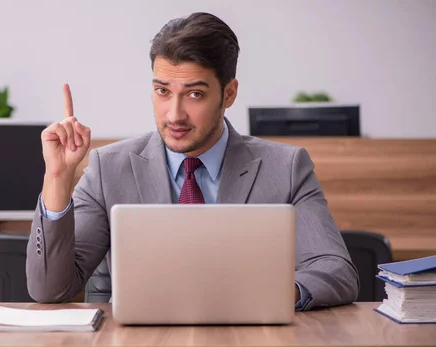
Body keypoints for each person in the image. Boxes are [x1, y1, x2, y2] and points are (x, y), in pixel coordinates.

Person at [26, 12, 359, 310]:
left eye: (195, 94)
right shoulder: (108, 168)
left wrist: (272, 294)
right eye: (163, 91)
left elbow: (336, 270)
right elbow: (50, 291)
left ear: (229, 93)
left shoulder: (285, 168)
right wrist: (57, 176)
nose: (175, 114)